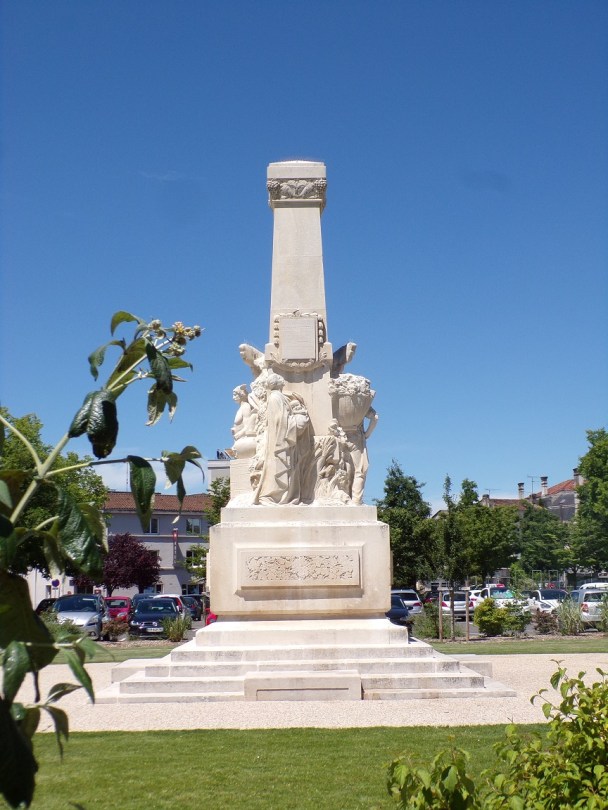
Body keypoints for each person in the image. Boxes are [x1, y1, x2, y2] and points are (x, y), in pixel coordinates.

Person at [252, 373, 314, 505]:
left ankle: (286, 495)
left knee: (289, 468)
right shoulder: (276, 397)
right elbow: (280, 420)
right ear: (277, 383)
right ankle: (277, 496)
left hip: (285, 439)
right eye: (280, 379)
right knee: (281, 468)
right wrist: (297, 419)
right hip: (282, 440)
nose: (283, 380)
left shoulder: (278, 396)